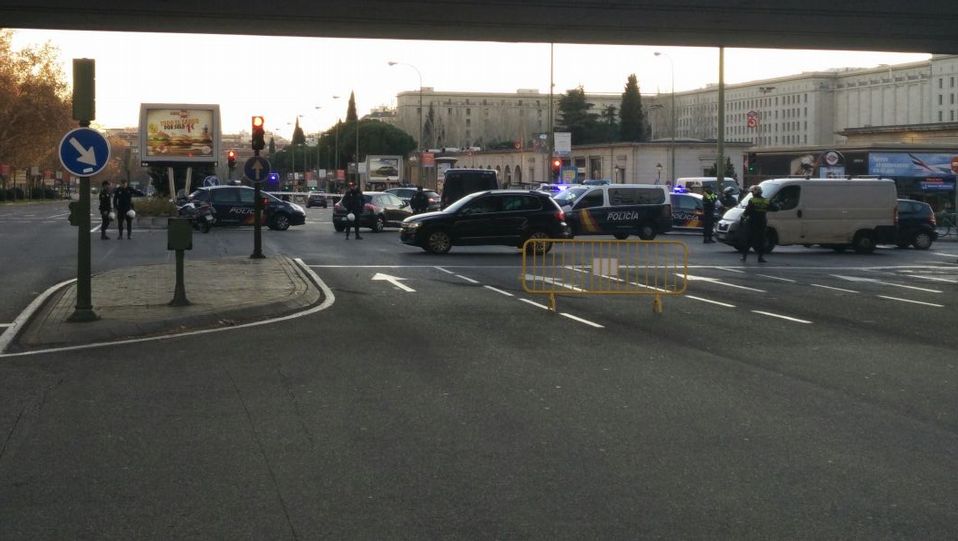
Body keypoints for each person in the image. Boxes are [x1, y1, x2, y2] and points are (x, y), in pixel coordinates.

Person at [740, 185, 769, 263]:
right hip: (762, 223)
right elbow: (774, 208)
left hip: (752, 223)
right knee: (761, 241)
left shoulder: (752, 200)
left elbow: (747, 211)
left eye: (752, 192)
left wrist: (742, 218)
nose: (752, 193)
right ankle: (760, 257)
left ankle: (744, 256)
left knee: (748, 240)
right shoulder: (766, 201)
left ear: (755, 192)